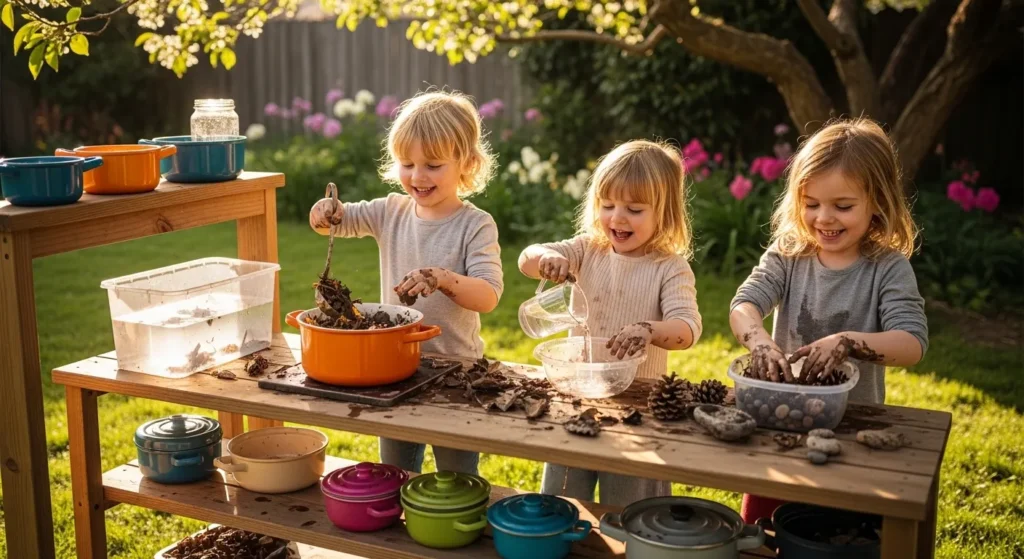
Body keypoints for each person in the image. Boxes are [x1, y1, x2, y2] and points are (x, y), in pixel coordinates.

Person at [729, 118, 929, 522]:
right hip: (780, 426)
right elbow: (744, 304)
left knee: (842, 535)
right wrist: (759, 341)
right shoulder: (788, 254)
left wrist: (848, 342)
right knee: (761, 533)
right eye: (811, 204)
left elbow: (912, 344)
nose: (824, 218)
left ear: (878, 202)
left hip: (852, 432)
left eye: (843, 206)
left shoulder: (887, 268)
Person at [309, 90, 503, 475]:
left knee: (457, 475)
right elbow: (337, 220)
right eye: (407, 163)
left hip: (456, 371)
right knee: (395, 472)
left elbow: (488, 296)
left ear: (466, 163)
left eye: (432, 164)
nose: (417, 176)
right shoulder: (390, 211)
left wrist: (444, 279)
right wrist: (324, 211)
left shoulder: (475, 224)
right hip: (394, 366)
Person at [518, 139, 703, 506]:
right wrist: (547, 259)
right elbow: (526, 258)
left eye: (634, 209)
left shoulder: (669, 268)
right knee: (562, 497)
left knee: (632, 506)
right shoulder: (588, 249)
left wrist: (649, 330)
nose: (617, 218)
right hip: (578, 395)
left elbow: (687, 329)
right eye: (607, 205)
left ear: (664, 215)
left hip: (639, 407)